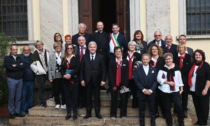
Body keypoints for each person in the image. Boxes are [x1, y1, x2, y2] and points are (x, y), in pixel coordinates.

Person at [80, 41, 106, 119]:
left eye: (94, 47)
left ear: (96, 48)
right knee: (88, 98)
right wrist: (82, 79)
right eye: (91, 47)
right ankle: (88, 113)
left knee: (97, 98)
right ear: (88, 48)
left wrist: (103, 80)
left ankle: (98, 113)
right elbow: (81, 69)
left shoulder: (100, 57)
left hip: (97, 81)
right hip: (87, 80)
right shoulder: (84, 56)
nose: (92, 48)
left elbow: (104, 70)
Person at [157, 53, 184, 126]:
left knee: (178, 106)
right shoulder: (162, 69)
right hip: (165, 91)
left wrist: (181, 89)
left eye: (169, 59)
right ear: (164, 60)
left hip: (175, 90)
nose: (168, 60)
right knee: (167, 108)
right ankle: (169, 123)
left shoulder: (177, 69)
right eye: (166, 59)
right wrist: (168, 82)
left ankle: (181, 122)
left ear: (172, 59)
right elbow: (159, 79)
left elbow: (180, 79)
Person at [134, 53, 157, 126]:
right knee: (141, 110)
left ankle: (153, 123)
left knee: (152, 109)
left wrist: (150, 90)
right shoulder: (137, 70)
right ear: (141, 60)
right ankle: (142, 123)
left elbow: (156, 81)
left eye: (147, 59)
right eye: (143, 59)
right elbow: (136, 81)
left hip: (151, 93)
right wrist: (143, 90)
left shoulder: (154, 69)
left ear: (149, 60)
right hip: (141, 92)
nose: (145, 60)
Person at [188, 49, 210, 126]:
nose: (197, 56)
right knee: (197, 106)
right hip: (194, 89)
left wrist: (206, 89)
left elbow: (209, 78)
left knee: (204, 107)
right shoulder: (192, 65)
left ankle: (203, 122)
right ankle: (199, 120)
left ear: (202, 56)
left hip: (203, 90)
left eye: (199, 55)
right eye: (196, 55)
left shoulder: (206, 65)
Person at [4, 45, 24, 118]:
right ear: (11, 50)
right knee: (12, 97)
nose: (15, 51)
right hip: (11, 80)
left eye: (16, 49)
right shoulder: (7, 58)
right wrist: (18, 66)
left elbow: (22, 66)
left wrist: (15, 66)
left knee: (18, 97)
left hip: (20, 80)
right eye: (14, 49)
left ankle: (17, 111)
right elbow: (9, 68)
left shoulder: (19, 57)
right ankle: (11, 112)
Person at [61, 44, 80, 120]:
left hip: (74, 80)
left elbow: (78, 69)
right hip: (66, 81)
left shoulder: (76, 57)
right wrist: (64, 75)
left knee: (75, 97)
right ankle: (68, 113)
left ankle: (75, 113)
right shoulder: (64, 58)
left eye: (71, 48)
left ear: (73, 49)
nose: (69, 49)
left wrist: (70, 75)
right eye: (68, 48)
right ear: (66, 49)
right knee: (67, 97)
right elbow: (61, 69)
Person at [109, 47, 128, 119]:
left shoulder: (125, 61)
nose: (118, 53)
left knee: (123, 99)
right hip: (114, 84)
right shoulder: (111, 61)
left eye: (119, 51)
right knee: (114, 99)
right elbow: (110, 74)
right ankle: (113, 114)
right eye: (116, 51)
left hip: (123, 84)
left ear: (121, 53)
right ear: (114, 53)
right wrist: (113, 84)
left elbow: (126, 74)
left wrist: (125, 85)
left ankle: (123, 114)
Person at [174, 44, 191, 118]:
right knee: (176, 95)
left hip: (185, 79)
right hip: (176, 78)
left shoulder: (188, 56)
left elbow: (188, 66)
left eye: (182, 48)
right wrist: (178, 72)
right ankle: (176, 109)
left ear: (185, 49)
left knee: (184, 95)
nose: (181, 49)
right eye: (179, 48)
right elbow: (174, 65)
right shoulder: (175, 56)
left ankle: (184, 110)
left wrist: (180, 72)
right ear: (178, 49)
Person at [31, 40, 49, 107]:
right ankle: (42, 102)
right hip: (40, 74)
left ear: (42, 44)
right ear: (36, 47)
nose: (39, 46)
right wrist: (37, 71)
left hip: (48, 72)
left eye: (40, 44)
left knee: (55, 84)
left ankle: (53, 97)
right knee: (41, 88)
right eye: (38, 45)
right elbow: (32, 65)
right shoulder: (35, 54)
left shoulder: (47, 52)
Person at [148, 44, 165, 117]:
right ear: (150, 51)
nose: (154, 50)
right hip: (151, 81)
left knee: (162, 98)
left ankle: (164, 112)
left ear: (158, 50)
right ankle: (156, 112)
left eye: (156, 49)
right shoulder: (148, 59)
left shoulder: (162, 59)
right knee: (153, 98)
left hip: (161, 81)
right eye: (153, 49)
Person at [123, 41, 141, 108]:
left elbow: (141, 64)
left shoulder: (138, 55)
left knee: (134, 92)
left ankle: (135, 105)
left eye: (133, 45)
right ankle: (123, 105)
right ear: (128, 46)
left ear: (135, 47)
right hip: (125, 76)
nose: (132, 47)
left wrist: (138, 66)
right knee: (124, 91)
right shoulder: (124, 55)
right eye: (131, 45)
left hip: (134, 76)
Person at [48, 42, 66, 109]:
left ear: (61, 47)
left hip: (63, 74)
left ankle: (64, 103)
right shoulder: (51, 55)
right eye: (56, 47)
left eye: (59, 47)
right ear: (54, 48)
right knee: (56, 90)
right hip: (55, 74)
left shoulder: (64, 54)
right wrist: (50, 77)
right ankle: (57, 103)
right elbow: (49, 66)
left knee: (63, 90)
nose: (58, 48)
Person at [19, 46, 35, 116]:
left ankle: (29, 109)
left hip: (32, 80)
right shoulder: (19, 56)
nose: (26, 51)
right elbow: (12, 56)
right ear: (23, 51)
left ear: (30, 51)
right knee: (23, 96)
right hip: (23, 80)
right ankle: (23, 110)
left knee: (30, 96)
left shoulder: (33, 56)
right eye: (25, 50)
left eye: (28, 50)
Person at [77, 36, 89, 109]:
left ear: (85, 41)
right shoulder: (74, 49)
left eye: (82, 40)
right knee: (79, 89)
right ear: (78, 42)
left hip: (87, 71)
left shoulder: (89, 48)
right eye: (79, 40)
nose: (81, 41)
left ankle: (87, 103)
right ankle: (81, 103)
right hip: (77, 72)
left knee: (87, 89)